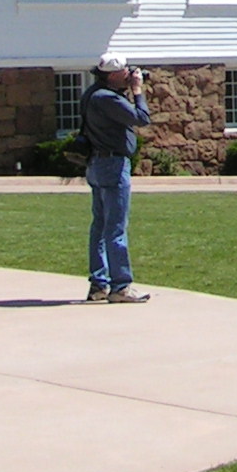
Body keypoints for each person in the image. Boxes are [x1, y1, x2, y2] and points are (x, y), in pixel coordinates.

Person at [81, 55, 151, 303]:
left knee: (100, 226)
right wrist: (137, 90)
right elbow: (141, 118)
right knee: (115, 227)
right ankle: (121, 286)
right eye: (124, 71)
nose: (129, 73)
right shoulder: (107, 98)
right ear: (112, 75)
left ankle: (98, 285)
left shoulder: (92, 94)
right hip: (113, 164)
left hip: (97, 164)